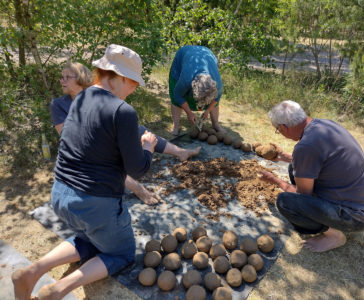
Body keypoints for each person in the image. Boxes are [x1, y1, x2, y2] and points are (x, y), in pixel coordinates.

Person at [12, 44, 159, 299]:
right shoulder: (123, 112)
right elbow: (138, 168)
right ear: (118, 77)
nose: (135, 88)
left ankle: (33, 271)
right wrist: (147, 147)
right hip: (95, 203)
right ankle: (59, 289)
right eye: (133, 82)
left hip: (60, 195)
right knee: (120, 253)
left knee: (91, 239)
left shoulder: (81, 97)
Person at [50, 61, 200, 205]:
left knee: (139, 130)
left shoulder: (91, 96)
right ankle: (139, 189)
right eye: (62, 77)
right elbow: (74, 142)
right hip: (89, 169)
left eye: (67, 77)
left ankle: (180, 152)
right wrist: (146, 148)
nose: (62, 80)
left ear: (80, 78)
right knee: (113, 157)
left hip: (89, 164)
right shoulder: (60, 104)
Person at [258, 100, 364, 252]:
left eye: (278, 130)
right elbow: (317, 158)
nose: (279, 133)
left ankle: (334, 235)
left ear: (284, 127)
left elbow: (302, 196)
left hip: (355, 217)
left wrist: (274, 180)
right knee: (294, 167)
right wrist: (282, 156)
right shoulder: (324, 125)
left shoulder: (305, 146)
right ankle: (325, 213)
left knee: (285, 202)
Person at [169, 45, 224, 135]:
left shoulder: (217, 83)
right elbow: (178, 96)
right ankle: (175, 126)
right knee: (175, 99)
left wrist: (207, 111)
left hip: (207, 54)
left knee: (214, 103)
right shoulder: (186, 79)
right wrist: (189, 113)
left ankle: (215, 124)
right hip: (184, 56)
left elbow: (216, 99)